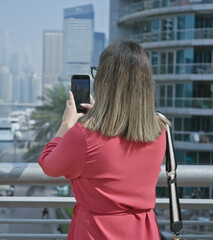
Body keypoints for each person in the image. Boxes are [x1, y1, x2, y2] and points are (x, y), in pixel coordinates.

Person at [38, 40, 170, 239]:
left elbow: (49, 165)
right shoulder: (160, 131)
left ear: (104, 82)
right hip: (142, 230)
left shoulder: (84, 135)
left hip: (97, 231)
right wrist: (103, 114)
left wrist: (66, 124)